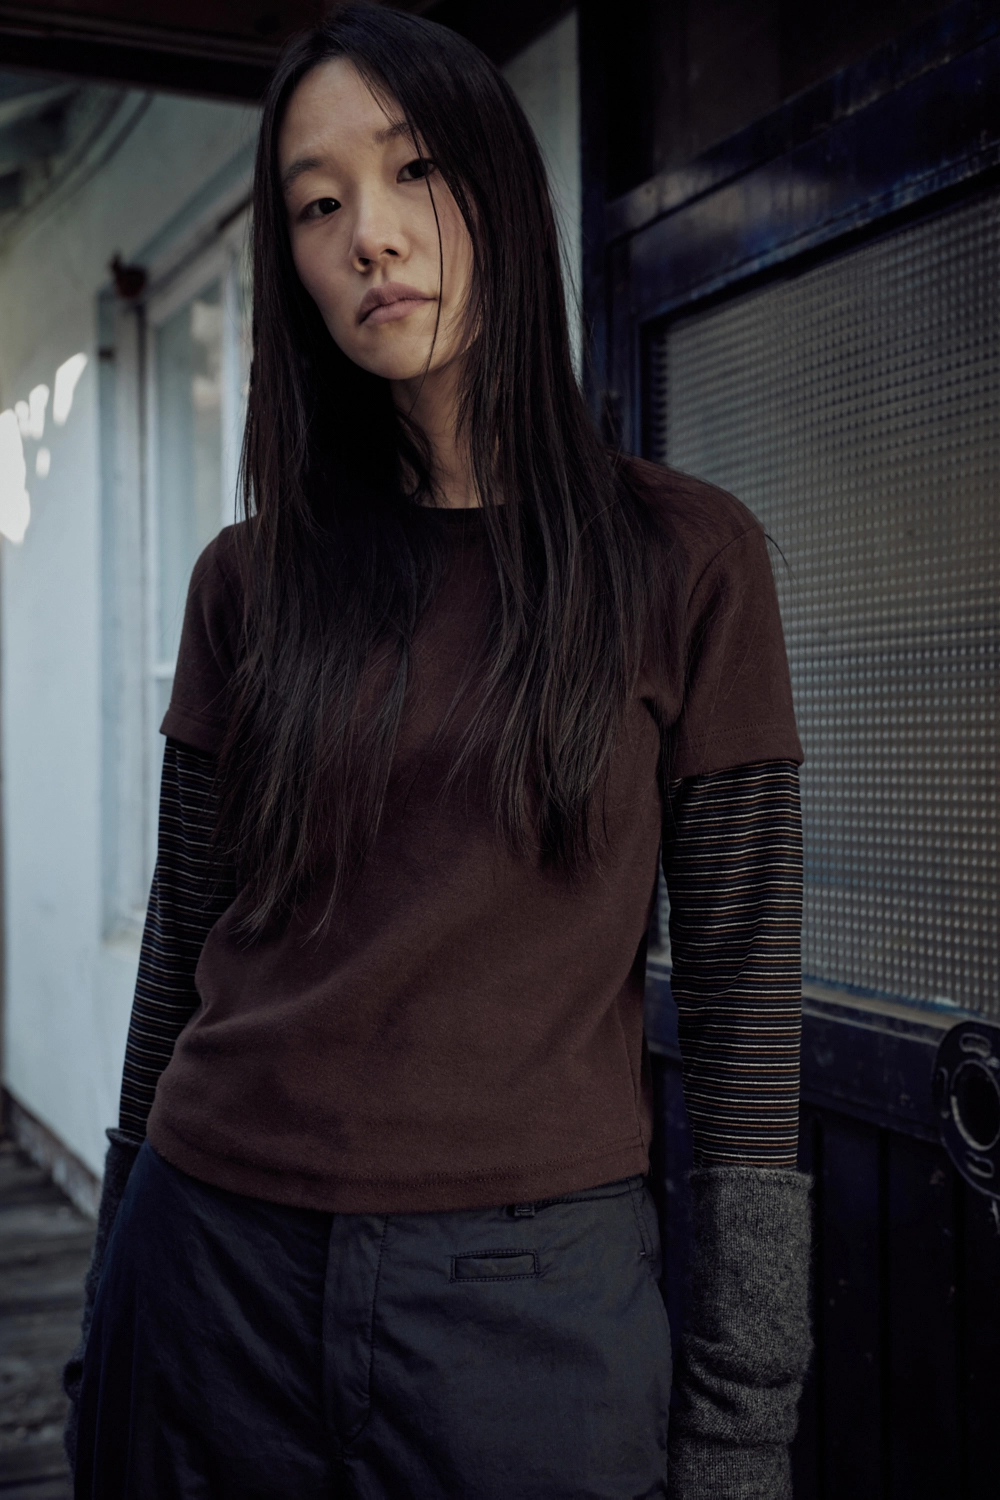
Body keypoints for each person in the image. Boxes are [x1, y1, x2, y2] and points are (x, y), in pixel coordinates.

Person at [65, 7, 812, 1496]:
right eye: (317, 205)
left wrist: (743, 1421)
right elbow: (181, 948)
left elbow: (744, 1016)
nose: (371, 237)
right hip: (209, 1270)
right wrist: (111, 1298)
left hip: (532, 1310)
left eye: (413, 172)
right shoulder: (246, 582)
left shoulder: (688, 558)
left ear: (503, 189)